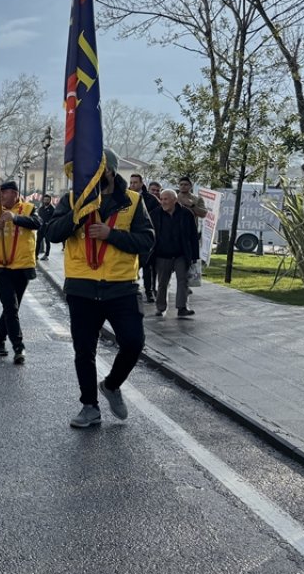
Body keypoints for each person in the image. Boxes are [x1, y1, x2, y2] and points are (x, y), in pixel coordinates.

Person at [42, 148, 155, 429]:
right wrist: (77, 215)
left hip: (122, 287)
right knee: (84, 350)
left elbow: (147, 241)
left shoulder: (133, 200)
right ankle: (89, 406)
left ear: (110, 171)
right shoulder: (71, 199)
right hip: (82, 287)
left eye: (96, 168)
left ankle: (112, 385)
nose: (89, 174)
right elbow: (53, 233)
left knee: (133, 342)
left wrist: (111, 235)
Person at [0, 181, 41, 364]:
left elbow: (37, 224)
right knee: (10, 306)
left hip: (22, 265)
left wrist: (14, 217)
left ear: (14, 193)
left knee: (12, 307)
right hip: (1, 265)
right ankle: (18, 346)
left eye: (4, 193)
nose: (1, 197)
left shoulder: (29, 208)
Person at [151, 189, 198, 318]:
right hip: (162, 255)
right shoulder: (155, 214)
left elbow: (193, 236)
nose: (163, 202)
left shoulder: (186, 214)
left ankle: (182, 307)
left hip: (181, 255)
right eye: (161, 199)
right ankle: (160, 307)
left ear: (174, 200)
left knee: (183, 281)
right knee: (162, 283)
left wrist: (195, 256)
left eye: (166, 199)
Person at [128, 174, 159, 303]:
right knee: (131, 265)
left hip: (146, 237)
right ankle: (131, 289)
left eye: (135, 182)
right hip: (131, 237)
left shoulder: (150, 199)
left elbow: (157, 217)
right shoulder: (126, 197)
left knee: (148, 267)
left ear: (141, 183)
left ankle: (149, 291)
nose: (133, 185)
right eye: (131, 182)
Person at [36, 193, 55, 260]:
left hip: (48, 229)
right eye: (45, 200)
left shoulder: (52, 209)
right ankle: (36, 255)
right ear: (43, 200)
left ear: (50, 200)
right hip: (40, 228)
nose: (46, 201)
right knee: (38, 241)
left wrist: (49, 223)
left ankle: (46, 255)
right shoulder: (41, 209)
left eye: (47, 200)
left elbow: (54, 219)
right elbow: (38, 217)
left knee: (47, 242)